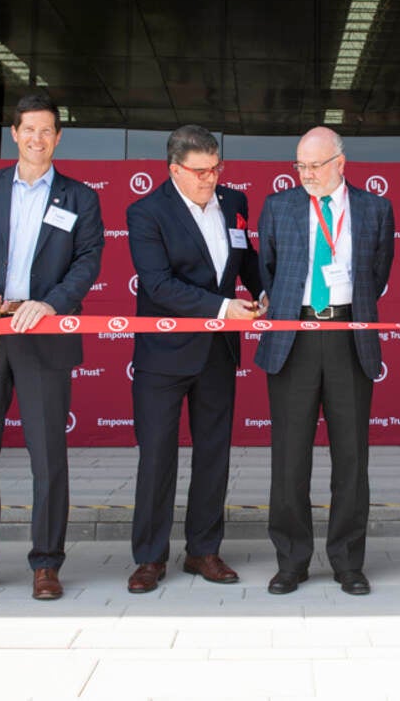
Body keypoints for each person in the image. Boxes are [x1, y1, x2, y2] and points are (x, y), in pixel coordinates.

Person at [0, 94, 104, 601]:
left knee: (48, 456)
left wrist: (51, 304)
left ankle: (47, 563)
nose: (37, 139)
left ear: (58, 137)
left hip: (43, 337)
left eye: (47, 130)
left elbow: (88, 260)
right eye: (28, 130)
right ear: (14, 133)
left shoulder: (79, 197)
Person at [124, 125, 265, 593]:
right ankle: (149, 557)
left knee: (213, 456)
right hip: (163, 357)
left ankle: (203, 551)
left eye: (216, 168)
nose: (211, 178)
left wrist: (263, 292)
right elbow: (159, 284)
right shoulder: (146, 211)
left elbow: (245, 261)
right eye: (200, 171)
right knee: (157, 458)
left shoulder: (235, 203)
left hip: (218, 355)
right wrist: (225, 309)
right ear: (174, 170)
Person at [254, 126, 395, 595]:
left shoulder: (375, 208)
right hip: (293, 336)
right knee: (289, 458)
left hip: (348, 336)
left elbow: (379, 272)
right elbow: (269, 268)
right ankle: (291, 560)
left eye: (315, 165)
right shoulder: (280, 206)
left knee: (351, 458)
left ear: (341, 162)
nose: (306, 174)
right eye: (300, 165)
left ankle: (348, 561)